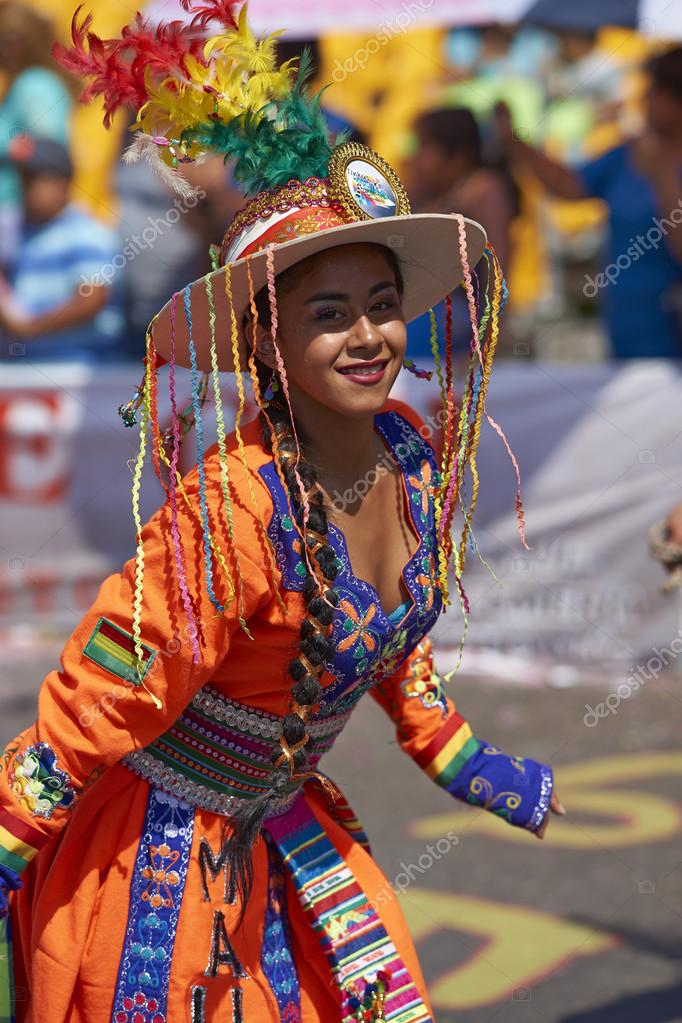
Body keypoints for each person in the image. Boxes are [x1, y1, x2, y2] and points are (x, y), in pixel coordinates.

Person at [0, 4, 563, 1021]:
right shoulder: (234, 509)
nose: (367, 336)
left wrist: (458, 754)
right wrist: (8, 839)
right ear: (265, 340)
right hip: (158, 861)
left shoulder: (408, 452)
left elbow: (389, 635)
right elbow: (108, 686)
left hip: (283, 829)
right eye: (327, 314)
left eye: (381, 304)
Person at [495, 46, 682, 359]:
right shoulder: (629, 153)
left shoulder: (654, 161)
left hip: (670, 330)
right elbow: (567, 186)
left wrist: (662, 177)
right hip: (623, 325)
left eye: (655, 91)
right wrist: (515, 140)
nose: (645, 98)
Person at [405, 106, 517, 359]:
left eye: (424, 147)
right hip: (428, 320)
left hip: (460, 326)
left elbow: (498, 268)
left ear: (459, 156)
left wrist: (489, 337)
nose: (416, 157)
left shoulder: (483, 189)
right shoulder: (428, 191)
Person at [0, 134, 124, 363]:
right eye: (22, 178)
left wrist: (29, 329)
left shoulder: (87, 232)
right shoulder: (18, 230)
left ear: (62, 183)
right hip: (24, 367)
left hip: (80, 367)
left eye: (33, 179)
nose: (24, 188)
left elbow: (90, 301)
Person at [0, 1, 73, 270]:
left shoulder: (35, 84)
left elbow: (46, 150)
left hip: (13, 209)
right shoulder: (26, 82)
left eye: (6, 41)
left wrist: (9, 147)